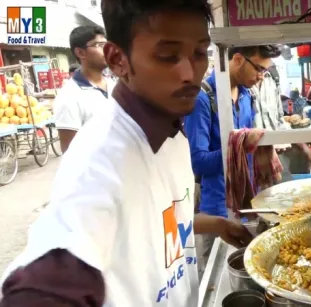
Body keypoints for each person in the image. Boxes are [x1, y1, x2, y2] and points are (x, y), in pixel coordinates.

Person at [0, 1, 252, 306]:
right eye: (168, 55)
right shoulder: (101, 158)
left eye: (200, 53)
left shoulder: (172, 131)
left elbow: (157, 218)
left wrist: (216, 224)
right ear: (118, 59)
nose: (190, 73)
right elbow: (47, 280)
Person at [184, 45, 280, 276]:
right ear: (237, 59)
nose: (261, 77)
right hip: (218, 211)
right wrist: (242, 148)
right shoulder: (202, 98)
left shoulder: (247, 95)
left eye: (265, 71)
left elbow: (252, 141)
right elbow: (198, 161)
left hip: (251, 204)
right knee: (218, 277)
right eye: (258, 69)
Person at [53, 25, 116, 153]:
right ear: (80, 53)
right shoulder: (69, 97)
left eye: (107, 44)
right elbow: (70, 153)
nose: (107, 50)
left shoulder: (114, 85)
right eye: (100, 45)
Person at [252, 64, 311, 176]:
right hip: (252, 164)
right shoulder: (238, 83)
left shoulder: (272, 75)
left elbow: (279, 120)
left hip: (275, 159)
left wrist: (301, 145)